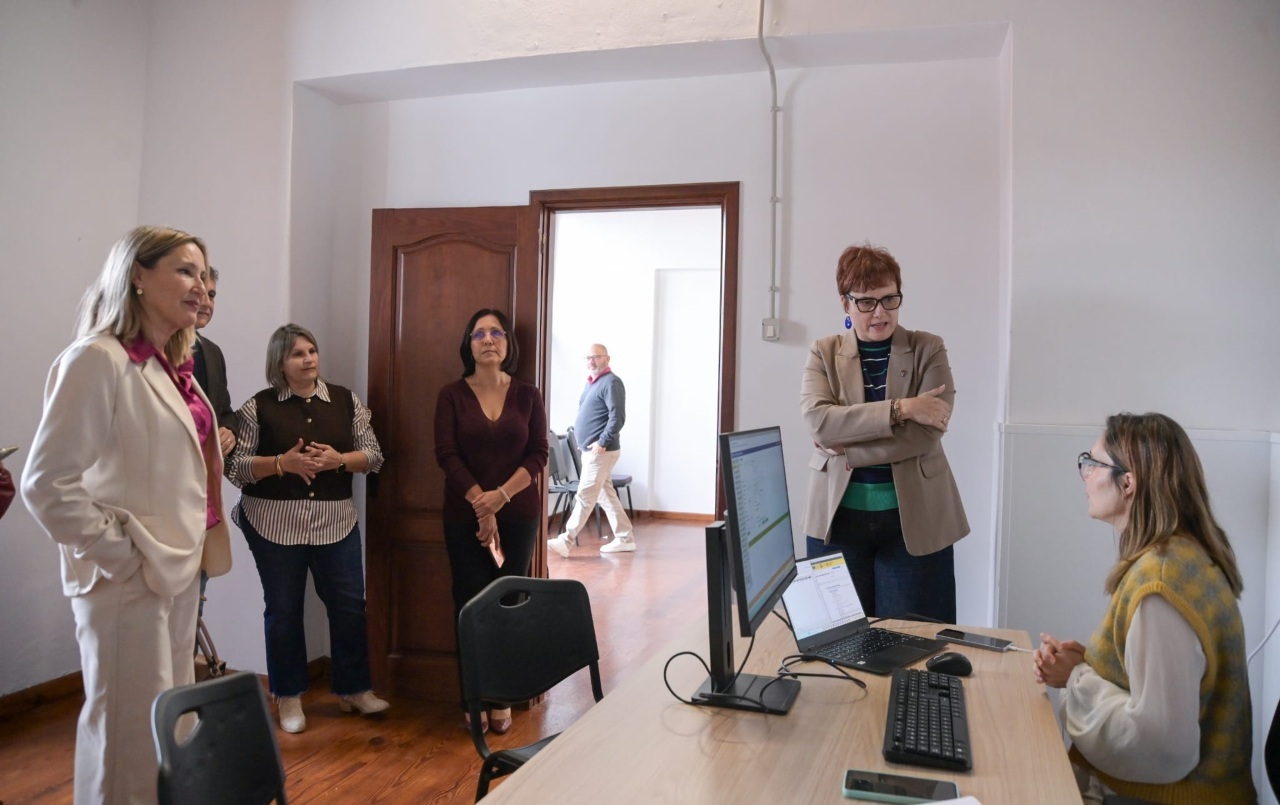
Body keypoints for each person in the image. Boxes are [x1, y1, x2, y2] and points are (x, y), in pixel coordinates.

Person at [21, 225, 230, 803]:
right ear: (138, 275)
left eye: (204, 274)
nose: (201, 285)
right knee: (125, 739)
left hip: (177, 569)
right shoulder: (96, 359)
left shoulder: (171, 365)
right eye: (186, 270)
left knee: (170, 724)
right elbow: (48, 485)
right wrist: (122, 555)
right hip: (126, 578)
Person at [1034, 413, 1255, 803]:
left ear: (1128, 482)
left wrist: (1078, 680)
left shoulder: (1160, 585)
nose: (1084, 475)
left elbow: (1162, 746)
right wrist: (1093, 663)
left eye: (1093, 463)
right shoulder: (1184, 557)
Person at [226, 323, 388, 733]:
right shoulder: (256, 408)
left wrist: (340, 460)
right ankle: (289, 695)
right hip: (274, 524)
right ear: (279, 363)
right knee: (283, 610)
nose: (309, 359)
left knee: (350, 605)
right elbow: (235, 468)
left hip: (335, 521)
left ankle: (354, 688)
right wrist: (283, 463)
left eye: (312, 350)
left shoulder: (347, 402)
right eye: (298, 353)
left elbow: (373, 455)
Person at [800, 243, 968, 623]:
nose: (880, 312)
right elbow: (819, 423)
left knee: (914, 645)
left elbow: (928, 433)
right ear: (845, 303)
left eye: (890, 299)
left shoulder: (928, 348)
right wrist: (902, 409)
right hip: (837, 521)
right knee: (839, 641)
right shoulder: (822, 353)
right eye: (866, 302)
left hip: (916, 520)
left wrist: (848, 448)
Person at [434, 309, 548, 734]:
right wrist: (479, 502)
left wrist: (499, 498)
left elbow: (538, 452)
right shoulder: (451, 394)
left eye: (496, 332)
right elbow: (446, 453)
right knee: (469, 605)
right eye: (479, 332)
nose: (488, 339)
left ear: (507, 344)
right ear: (468, 344)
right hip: (463, 515)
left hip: (518, 514)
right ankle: (474, 694)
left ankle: (501, 695)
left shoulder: (527, 395)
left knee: (509, 603)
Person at [546, 343, 637, 556]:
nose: (591, 361)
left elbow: (617, 418)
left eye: (596, 357)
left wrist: (601, 442)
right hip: (592, 450)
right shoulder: (591, 383)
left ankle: (565, 540)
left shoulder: (612, 382)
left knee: (585, 495)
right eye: (588, 358)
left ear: (607, 358)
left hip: (601, 451)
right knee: (605, 495)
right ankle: (625, 537)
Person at [193, 266, 237, 456]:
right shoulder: (154, 348)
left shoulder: (213, 352)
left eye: (211, 295)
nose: (207, 303)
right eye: (200, 294)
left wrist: (229, 431)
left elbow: (224, 411)